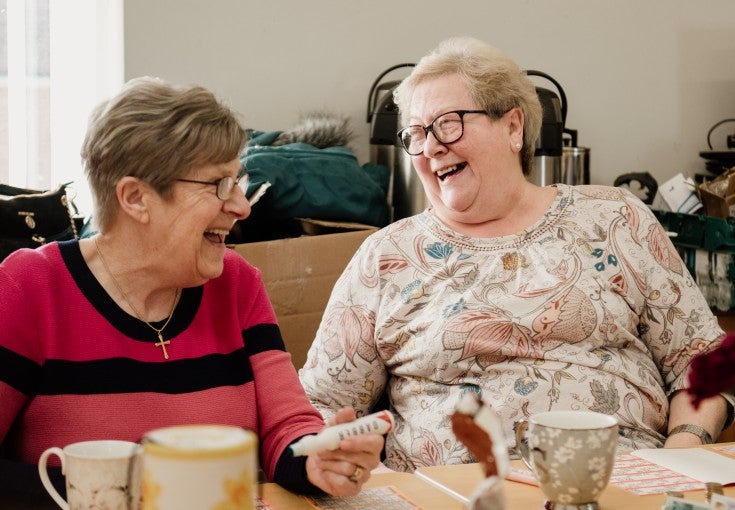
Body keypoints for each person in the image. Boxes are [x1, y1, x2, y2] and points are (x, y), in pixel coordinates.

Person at [299, 36, 733, 472]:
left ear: (513, 127)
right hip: (453, 496)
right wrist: (333, 457)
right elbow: (320, 402)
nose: (430, 147)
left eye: (448, 123)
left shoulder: (615, 218)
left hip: (622, 482)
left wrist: (684, 451)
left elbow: (703, 358)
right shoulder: (386, 257)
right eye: (416, 133)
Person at [0, 76, 382, 504]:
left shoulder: (236, 283)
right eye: (219, 184)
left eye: (239, 180)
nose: (242, 205)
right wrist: (122, 496)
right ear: (136, 198)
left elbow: (286, 426)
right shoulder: (30, 287)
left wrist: (317, 457)